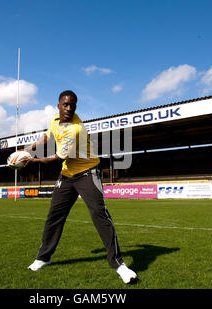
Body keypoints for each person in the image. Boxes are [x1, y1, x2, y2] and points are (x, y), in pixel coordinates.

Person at [21, 90, 137, 284]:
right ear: (58, 105)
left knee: (99, 215)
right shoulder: (55, 121)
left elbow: (56, 158)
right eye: (65, 104)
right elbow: (47, 137)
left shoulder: (74, 129)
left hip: (87, 173)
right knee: (54, 216)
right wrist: (26, 149)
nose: (69, 108)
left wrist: (32, 160)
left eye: (72, 105)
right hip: (67, 175)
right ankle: (44, 257)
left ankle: (119, 265)